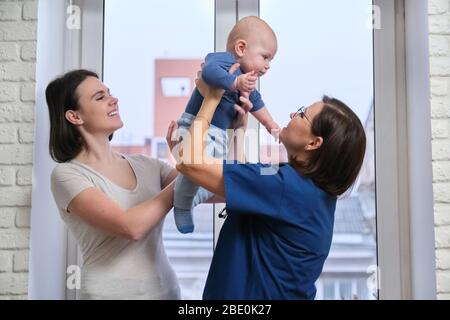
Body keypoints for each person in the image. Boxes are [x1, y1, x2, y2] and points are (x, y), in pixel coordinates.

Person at [168, 74, 367, 299]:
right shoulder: (304, 190)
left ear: (313, 143)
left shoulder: (286, 187)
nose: (293, 114)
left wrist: (211, 96)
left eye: (302, 114)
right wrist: (238, 129)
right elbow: (238, 180)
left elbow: (190, 162)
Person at [47, 69, 180, 299]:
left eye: (109, 93)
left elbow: (211, 188)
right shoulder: (67, 175)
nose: (113, 99)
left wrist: (233, 128)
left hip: (165, 292)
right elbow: (130, 227)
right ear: (75, 117)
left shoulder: (148, 166)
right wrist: (183, 180)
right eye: (100, 97)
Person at [174, 15, 280, 234]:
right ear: (241, 48)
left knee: (217, 176)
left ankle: (188, 198)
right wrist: (235, 82)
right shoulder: (224, 61)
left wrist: (271, 125)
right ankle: (182, 205)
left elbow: (257, 103)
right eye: (265, 57)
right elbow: (208, 72)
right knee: (196, 170)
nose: (268, 66)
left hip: (219, 135)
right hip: (197, 127)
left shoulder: (247, 81)